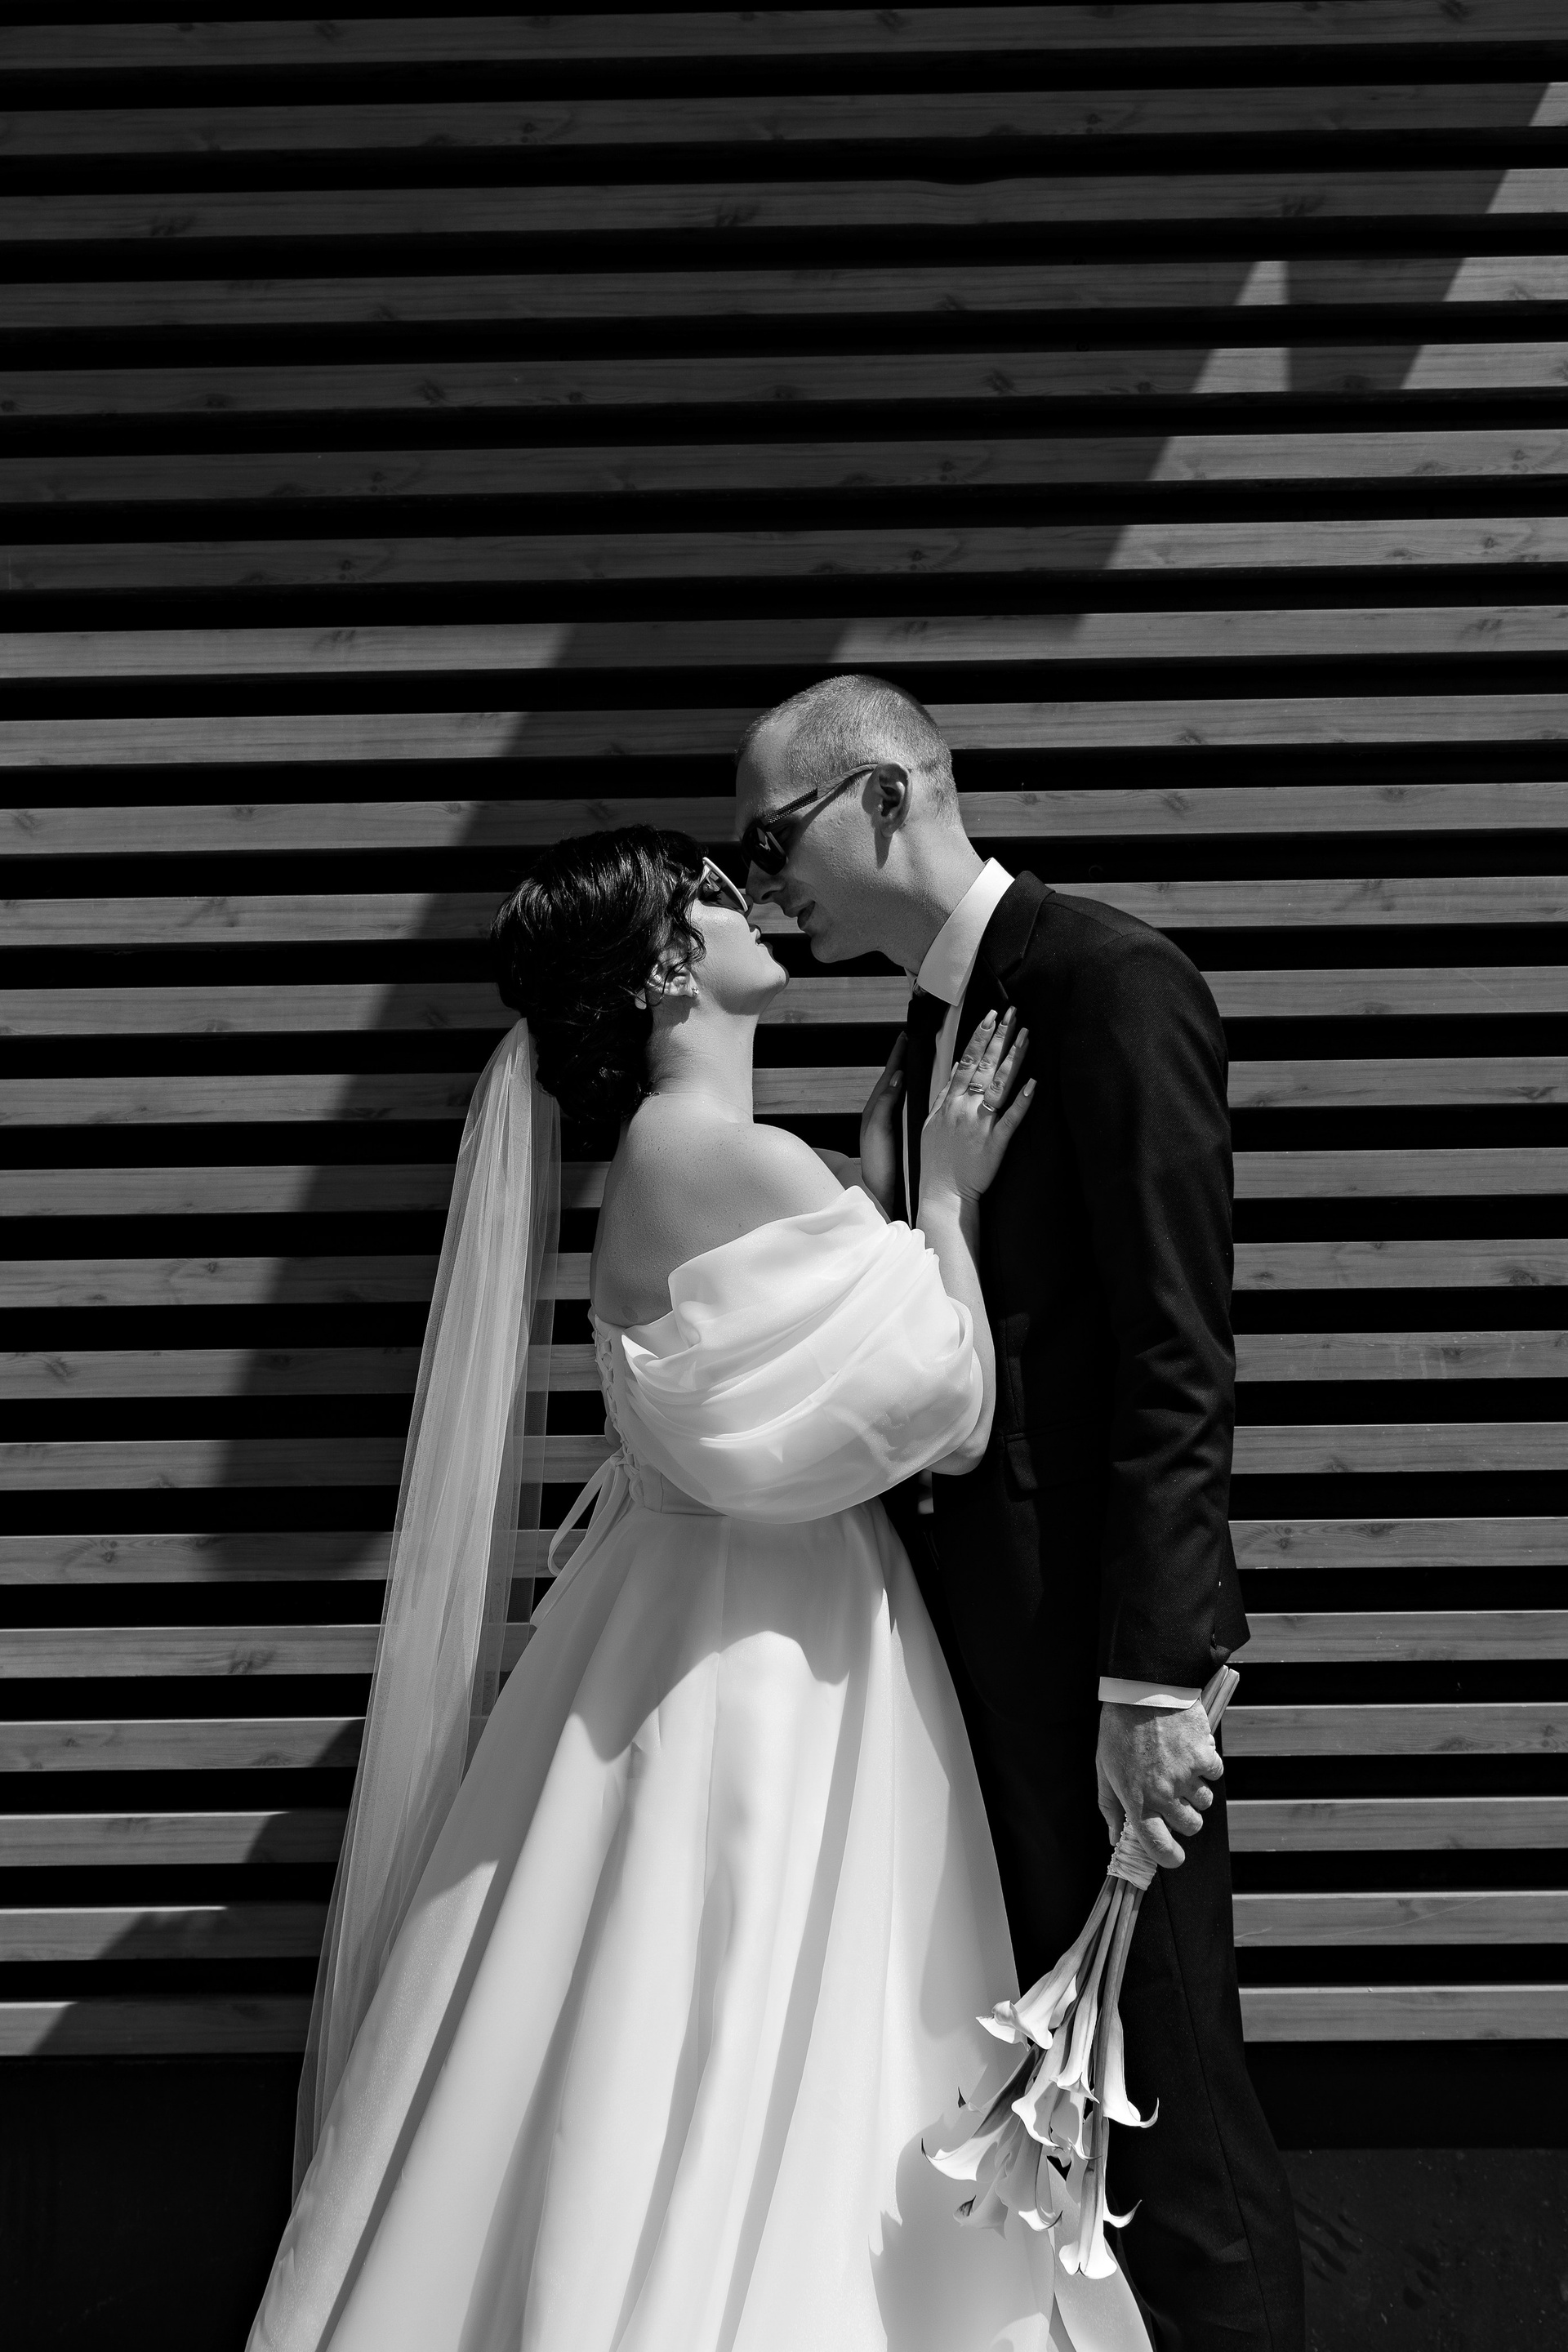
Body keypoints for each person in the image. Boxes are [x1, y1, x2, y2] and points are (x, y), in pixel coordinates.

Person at [247, 827, 1148, 2351]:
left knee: (644, 2008)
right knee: (757, 1987)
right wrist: (941, 1204)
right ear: (672, 964)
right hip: (772, 1650)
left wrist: (876, 1195)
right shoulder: (731, 1158)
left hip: (678, 1619)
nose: (758, 904)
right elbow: (947, 1401)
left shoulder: (686, 1162)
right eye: (722, 896)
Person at [737, 679, 1306, 2352]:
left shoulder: (1114, 986)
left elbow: (1175, 1354)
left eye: (775, 838)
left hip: (1089, 1676)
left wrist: (1154, 1679)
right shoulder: (929, 1031)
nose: (767, 885)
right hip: (964, 1661)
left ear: (884, 795)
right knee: (1058, 2115)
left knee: (1170, 2113)